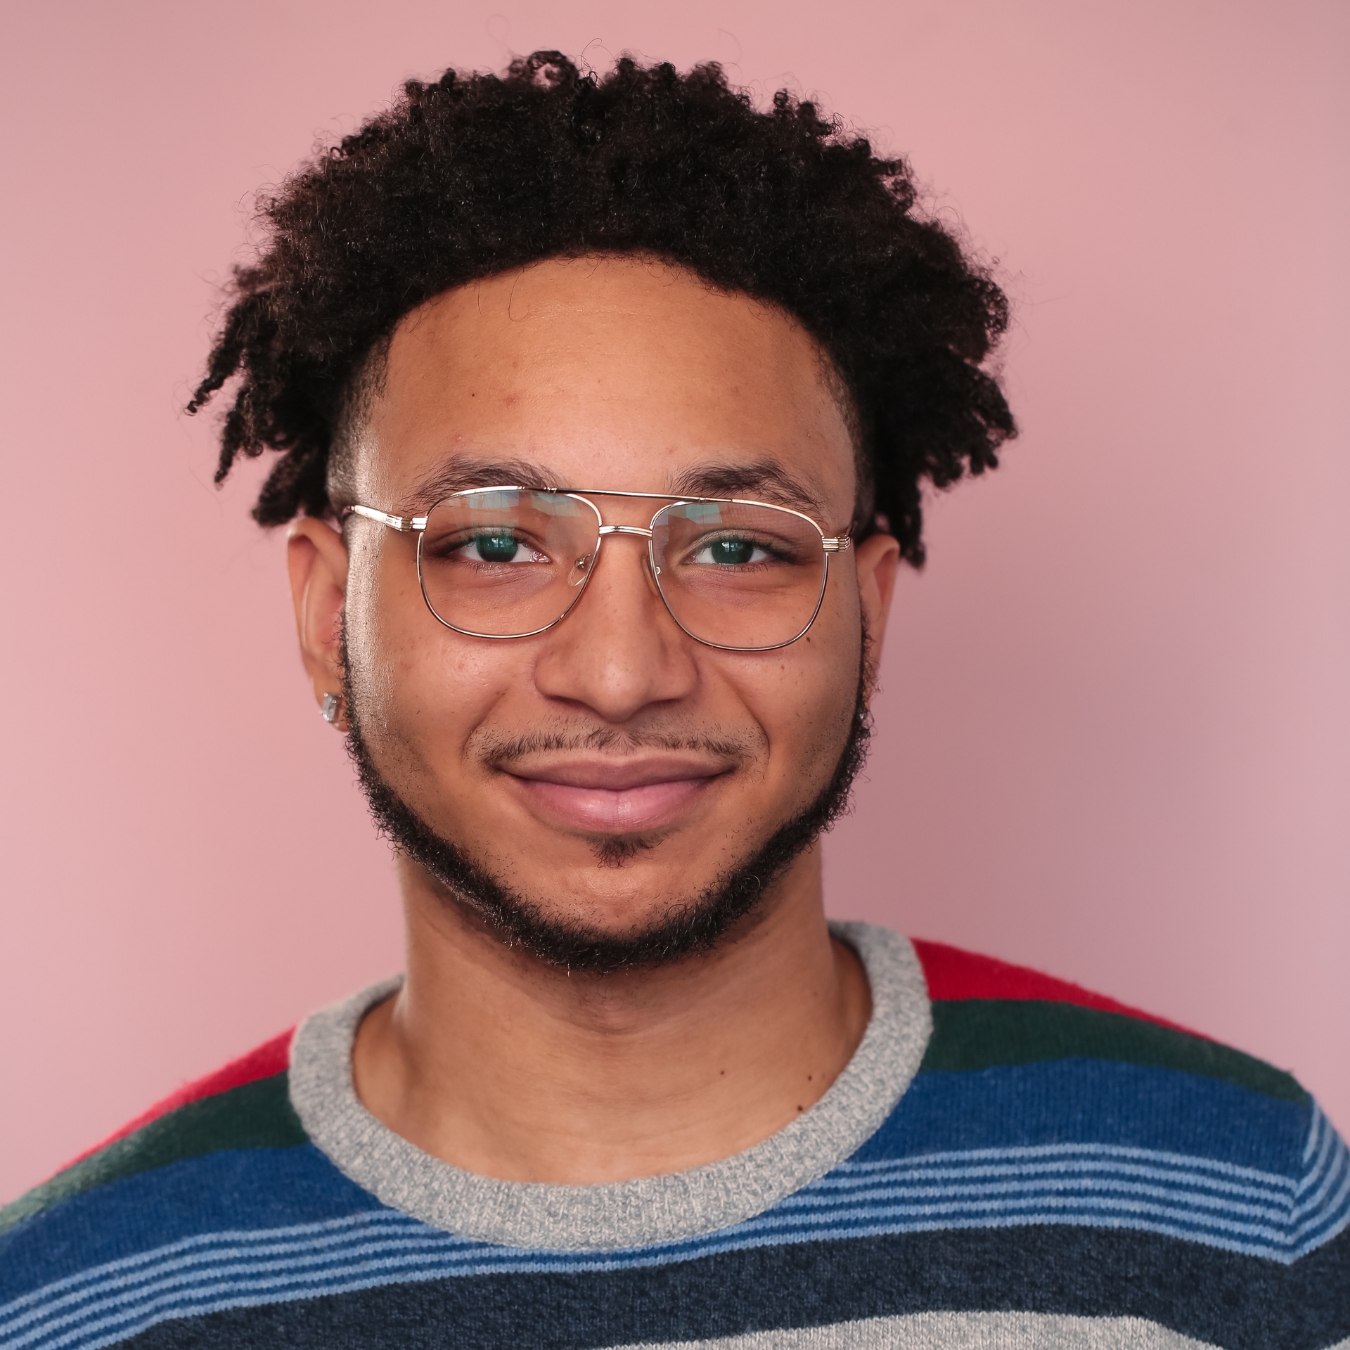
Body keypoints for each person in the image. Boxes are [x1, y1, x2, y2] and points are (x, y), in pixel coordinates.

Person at [1, 52, 1345, 1350]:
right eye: (492, 542)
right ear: (322, 613)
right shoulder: (76, 1302)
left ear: (867, 614)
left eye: (738, 547)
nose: (621, 669)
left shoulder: (1233, 1202)